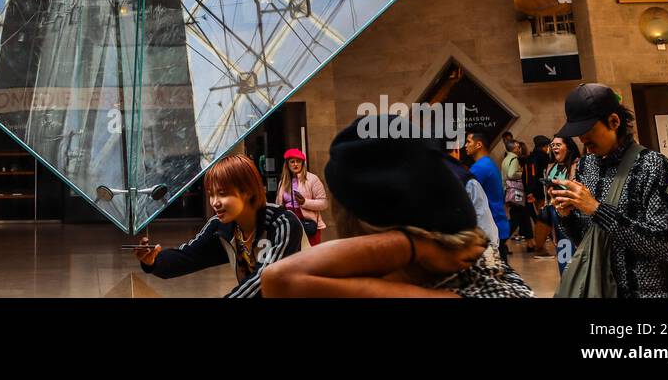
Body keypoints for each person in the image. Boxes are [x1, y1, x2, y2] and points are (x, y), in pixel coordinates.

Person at [261, 119, 533, 297]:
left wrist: (414, 245)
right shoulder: (480, 261)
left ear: (356, 221)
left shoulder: (445, 287)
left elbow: (278, 279)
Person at [550, 83, 668, 298]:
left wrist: (597, 209)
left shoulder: (653, 165)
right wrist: (566, 216)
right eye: (577, 133)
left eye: (588, 130)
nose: (583, 140)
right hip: (596, 288)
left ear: (614, 121)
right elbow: (585, 239)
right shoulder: (585, 166)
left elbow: (667, 246)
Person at [135, 154, 304, 297]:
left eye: (222, 194)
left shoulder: (282, 223)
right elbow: (188, 257)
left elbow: (265, 281)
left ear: (247, 191)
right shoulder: (221, 227)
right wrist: (153, 261)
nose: (215, 202)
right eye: (211, 194)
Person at [465, 128, 511, 260]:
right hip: (498, 223)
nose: (465, 145)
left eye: (468, 142)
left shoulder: (480, 168)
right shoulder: (488, 163)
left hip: (491, 226)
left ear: (478, 144)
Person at [543, 135, 580, 274]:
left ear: (568, 147)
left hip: (573, 213)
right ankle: (566, 282)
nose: (554, 148)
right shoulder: (551, 166)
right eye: (552, 145)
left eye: (558, 145)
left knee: (575, 251)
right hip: (555, 211)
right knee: (563, 250)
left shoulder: (578, 165)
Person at [276, 147, 328, 243]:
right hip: (289, 223)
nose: (295, 164)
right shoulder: (282, 182)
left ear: (302, 163)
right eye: (292, 161)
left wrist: (305, 202)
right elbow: (279, 204)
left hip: (308, 224)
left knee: (311, 254)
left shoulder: (312, 179)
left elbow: (324, 203)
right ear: (287, 164)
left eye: (298, 161)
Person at [502, 141, 530, 244]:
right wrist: (522, 173)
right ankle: (502, 239)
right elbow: (511, 174)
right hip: (516, 191)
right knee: (516, 218)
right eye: (518, 147)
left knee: (519, 216)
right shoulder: (514, 159)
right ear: (514, 149)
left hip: (508, 190)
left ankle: (530, 241)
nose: (520, 149)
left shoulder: (506, 159)